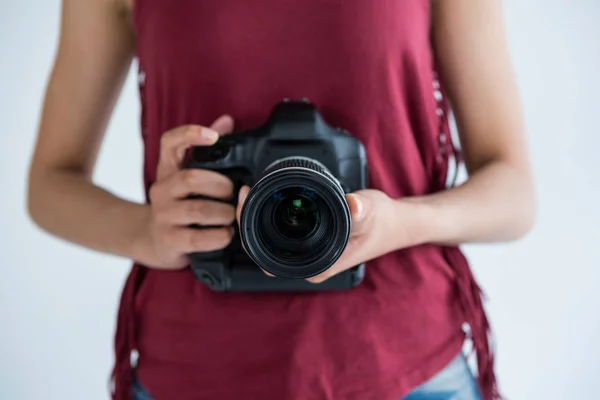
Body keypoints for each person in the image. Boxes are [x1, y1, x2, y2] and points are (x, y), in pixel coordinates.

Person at [27, 0, 536, 399]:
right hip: (194, 371)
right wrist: (145, 231)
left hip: (407, 364)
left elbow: (514, 193)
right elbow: (50, 184)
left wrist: (402, 222)